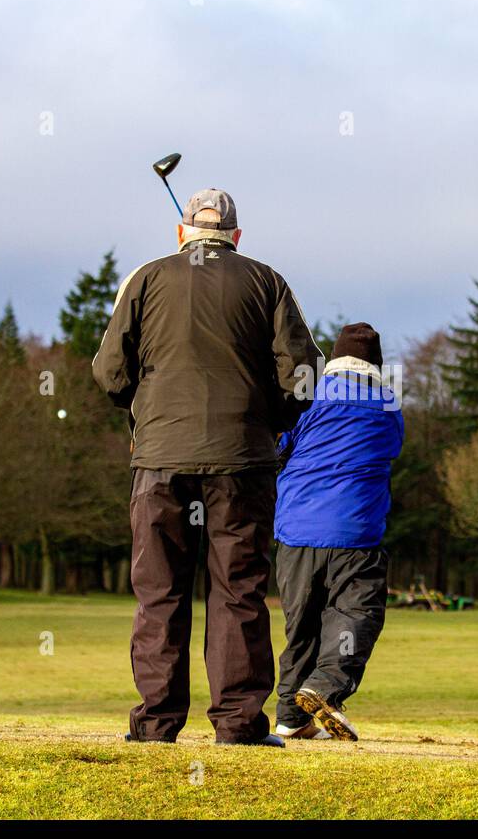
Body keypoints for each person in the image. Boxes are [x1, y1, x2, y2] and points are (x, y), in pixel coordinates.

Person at [92, 188, 319, 747]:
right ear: (236, 237)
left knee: (159, 594)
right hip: (241, 463)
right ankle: (239, 726)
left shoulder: (145, 279)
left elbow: (109, 373)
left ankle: (155, 724)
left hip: (160, 462)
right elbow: (303, 377)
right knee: (238, 592)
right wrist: (268, 421)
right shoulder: (267, 281)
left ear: (182, 234)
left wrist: (147, 412)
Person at [272, 323, 404, 741]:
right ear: (375, 364)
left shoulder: (307, 397)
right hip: (356, 534)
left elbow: (278, 447)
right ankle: (325, 687)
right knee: (355, 614)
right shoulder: (387, 405)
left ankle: (291, 717)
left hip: (296, 533)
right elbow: (391, 449)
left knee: (302, 625)